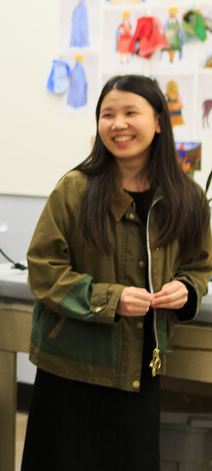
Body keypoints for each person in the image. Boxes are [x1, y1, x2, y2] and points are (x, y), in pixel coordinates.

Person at [22, 74, 212, 470]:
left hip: (140, 371)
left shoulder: (187, 197)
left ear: (159, 121)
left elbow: (198, 266)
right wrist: (110, 299)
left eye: (130, 112)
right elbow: (44, 271)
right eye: (107, 114)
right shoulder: (74, 189)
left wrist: (187, 289)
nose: (118, 124)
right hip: (71, 369)